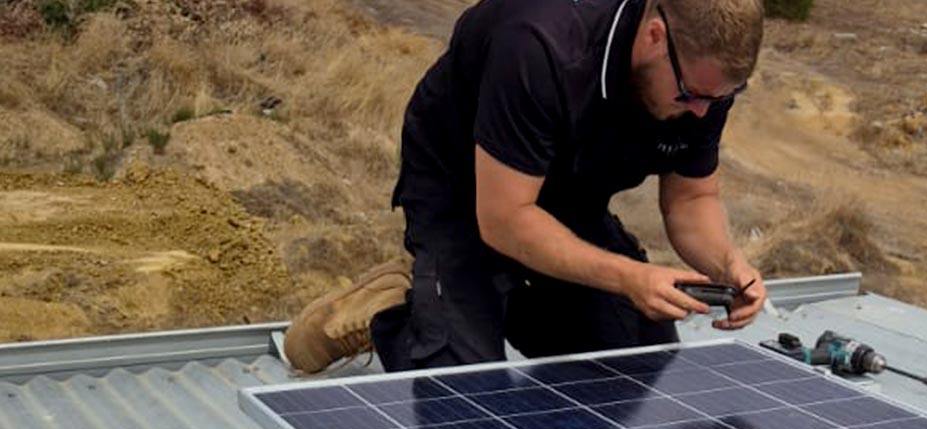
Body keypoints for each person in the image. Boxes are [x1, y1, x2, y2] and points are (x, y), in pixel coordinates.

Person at [283, 0, 768, 373]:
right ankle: (399, 308)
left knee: (635, 357)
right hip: (465, 188)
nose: (701, 112)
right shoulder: (539, 44)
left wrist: (727, 263)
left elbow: (690, 199)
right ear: (655, 36)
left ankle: (482, 300)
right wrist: (627, 277)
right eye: (690, 96)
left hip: (566, 192)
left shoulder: (703, 80)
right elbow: (505, 219)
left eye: (719, 98)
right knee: (464, 396)